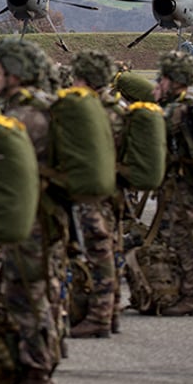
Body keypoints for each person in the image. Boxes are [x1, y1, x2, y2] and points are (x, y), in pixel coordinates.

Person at [0, 36, 65, 384]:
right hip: (45, 216)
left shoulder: (24, 116)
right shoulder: (44, 107)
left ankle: (36, 377)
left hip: (33, 222)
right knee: (39, 294)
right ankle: (40, 365)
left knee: (27, 297)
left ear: (16, 75)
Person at [67, 50, 122, 337]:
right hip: (113, 190)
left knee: (99, 251)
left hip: (98, 194)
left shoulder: (98, 111)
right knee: (110, 249)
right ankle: (110, 312)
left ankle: (100, 317)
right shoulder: (117, 107)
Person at [151, 50, 193, 316]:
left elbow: (153, 129)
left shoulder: (178, 109)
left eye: (162, 80)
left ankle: (192, 296)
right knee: (179, 236)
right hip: (180, 182)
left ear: (175, 80)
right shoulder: (186, 104)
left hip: (183, 184)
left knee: (186, 238)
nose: (158, 85)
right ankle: (182, 292)